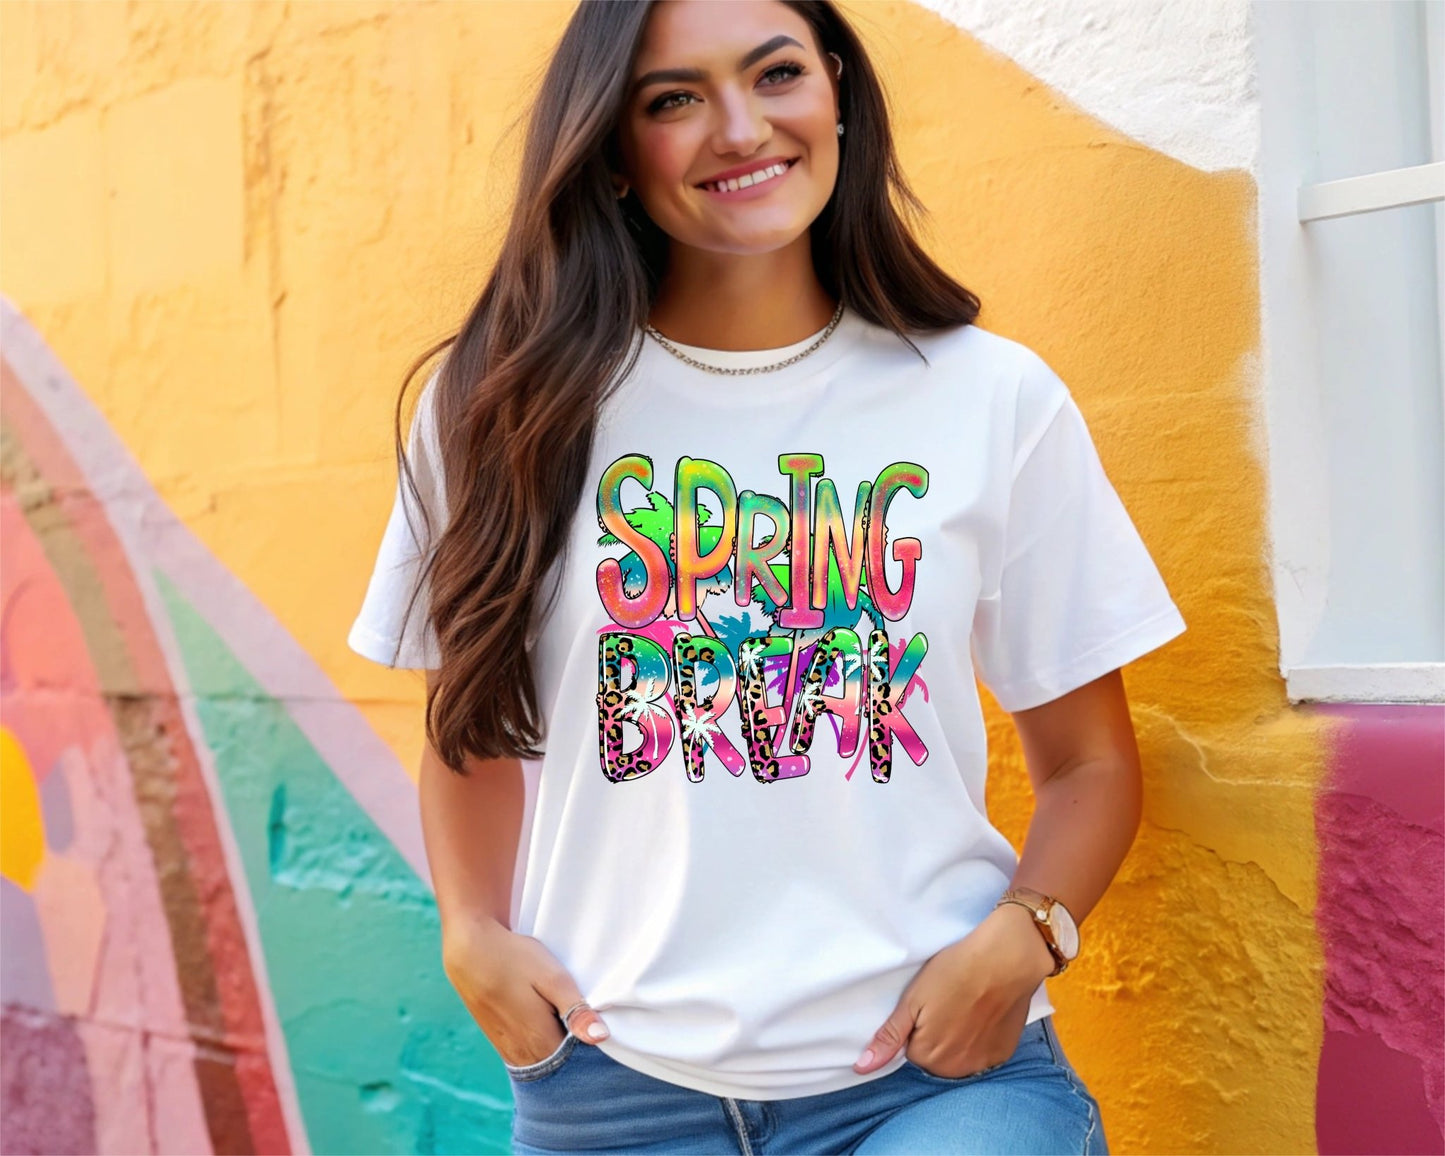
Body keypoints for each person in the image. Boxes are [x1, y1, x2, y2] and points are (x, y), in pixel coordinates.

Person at [347, 1, 1185, 1151]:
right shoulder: (501, 409)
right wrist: (468, 932)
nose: (740, 129)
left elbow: (1089, 762)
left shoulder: (990, 397)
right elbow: (472, 732)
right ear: (611, 149)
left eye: (775, 73)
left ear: (835, 91)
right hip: (614, 1087)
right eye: (673, 99)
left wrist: (1026, 934)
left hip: (931, 1079)